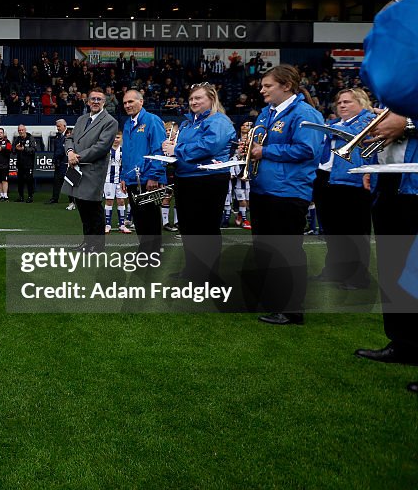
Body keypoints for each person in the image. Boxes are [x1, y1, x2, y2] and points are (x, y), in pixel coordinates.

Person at [354, 0, 418, 393]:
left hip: (415, 186)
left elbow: (404, 125)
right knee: (395, 271)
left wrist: (408, 124)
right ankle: (403, 342)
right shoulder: (401, 85)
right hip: (391, 185)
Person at [245, 65, 324, 325]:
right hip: (262, 189)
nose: (262, 89)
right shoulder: (267, 113)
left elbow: (307, 149)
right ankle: (272, 301)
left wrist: (264, 152)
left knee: (286, 251)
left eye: (268, 86)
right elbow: (260, 146)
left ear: (286, 86)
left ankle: (291, 309)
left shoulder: (305, 113)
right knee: (265, 250)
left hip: (288, 191)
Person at [162, 83, 236, 283]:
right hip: (186, 178)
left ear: (211, 99)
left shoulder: (219, 121)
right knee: (188, 228)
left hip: (208, 180)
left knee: (206, 229)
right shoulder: (188, 123)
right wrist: (170, 147)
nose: (193, 102)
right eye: (191, 98)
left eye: (198, 98)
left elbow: (208, 147)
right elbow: (186, 147)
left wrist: (176, 150)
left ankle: (210, 276)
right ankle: (193, 270)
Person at [311, 88, 378, 290]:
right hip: (327, 179)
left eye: (347, 102)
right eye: (339, 102)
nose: (341, 105)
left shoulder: (368, 121)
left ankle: (358, 277)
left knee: (355, 231)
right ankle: (335, 271)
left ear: (362, 103)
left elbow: (358, 137)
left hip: (352, 181)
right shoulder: (333, 123)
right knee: (332, 230)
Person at [64, 87, 118, 252]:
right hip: (77, 169)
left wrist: (77, 156)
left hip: (93, 170)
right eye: (92, 99)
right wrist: (70, 152)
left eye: (98, 99)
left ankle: (98, 245)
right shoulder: (81, 119)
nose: (95, 102)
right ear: (87, 101)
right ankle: (87, 243)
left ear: (104, 102)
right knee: (82, 207)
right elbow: (70, 138)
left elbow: (101, 147)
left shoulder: (110, 122)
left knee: (93, 208)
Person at [119, 89, 167, 256]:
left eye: (131, 102)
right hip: (132, 179)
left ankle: (154, 254)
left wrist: (154, 176)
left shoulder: (152, 120)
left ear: (141, 102)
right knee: (138, 218)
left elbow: (159, 150)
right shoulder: (127, 124)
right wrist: (124, 176)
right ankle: (144, 252)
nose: (127, 105)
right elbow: (126, 153)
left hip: (149, 179)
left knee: (151, 218)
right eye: (125, 103)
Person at [103, 133, 131, 233]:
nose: (116, 139)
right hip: (108, 180)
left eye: (118, 137)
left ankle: (122, 225)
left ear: (121, 138)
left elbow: (127, 166)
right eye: (114, 137)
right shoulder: (106, 151)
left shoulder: (124, 151)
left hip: (121, 180)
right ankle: (107, 224)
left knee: (121, 201)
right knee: (109, 201)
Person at [46, 118, 69, 204]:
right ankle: (54, 198)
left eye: (59, 126)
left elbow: (63, 149)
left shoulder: (69, 134)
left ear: (64, 126)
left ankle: (72, 201)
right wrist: (54, 161)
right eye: (57, 126)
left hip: (67, 162)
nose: (58, 128)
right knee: (56, 181)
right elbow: (56, 150)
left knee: (69, 182)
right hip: (59, 163)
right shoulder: (57, 136)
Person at [12, 123, 36, 203]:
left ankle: (30, 196)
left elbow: (33, 149)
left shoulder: (31, 138)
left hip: (29, 163)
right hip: (20, 163)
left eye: (22, 130)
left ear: (25, 130)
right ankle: (21, 196)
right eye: (19, 130)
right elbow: (13, 151)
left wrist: (24, 149)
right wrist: (15, 148)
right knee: (20, 180)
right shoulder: (17, 139)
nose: (21, 132)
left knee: (29, 180)